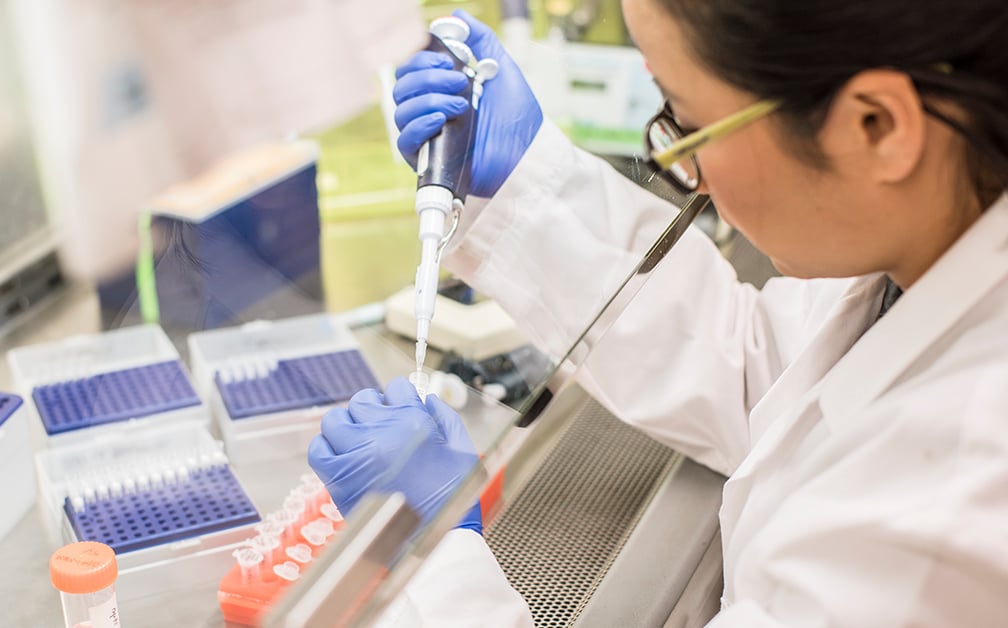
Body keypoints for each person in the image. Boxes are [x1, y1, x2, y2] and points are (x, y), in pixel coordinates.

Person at [308, 0, 1008, 625]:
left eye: (687, 122)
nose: (682, 164)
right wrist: (525, 181)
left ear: (876, 126)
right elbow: (772, 372)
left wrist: (435, 570)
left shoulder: (943, 516)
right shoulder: (938, 243)